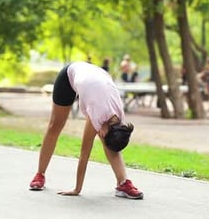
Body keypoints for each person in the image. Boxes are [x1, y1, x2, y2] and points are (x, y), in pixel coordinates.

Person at [29, 61, 144, 199]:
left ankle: (123, 183)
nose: (99, 134)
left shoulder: (119, 119)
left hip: (95, 78)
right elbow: (84, 154)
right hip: (69, 76)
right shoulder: (96, 114)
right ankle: (40, 174)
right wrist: (77, 189)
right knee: (55, 125)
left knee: (111, 141)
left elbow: (114, 137)